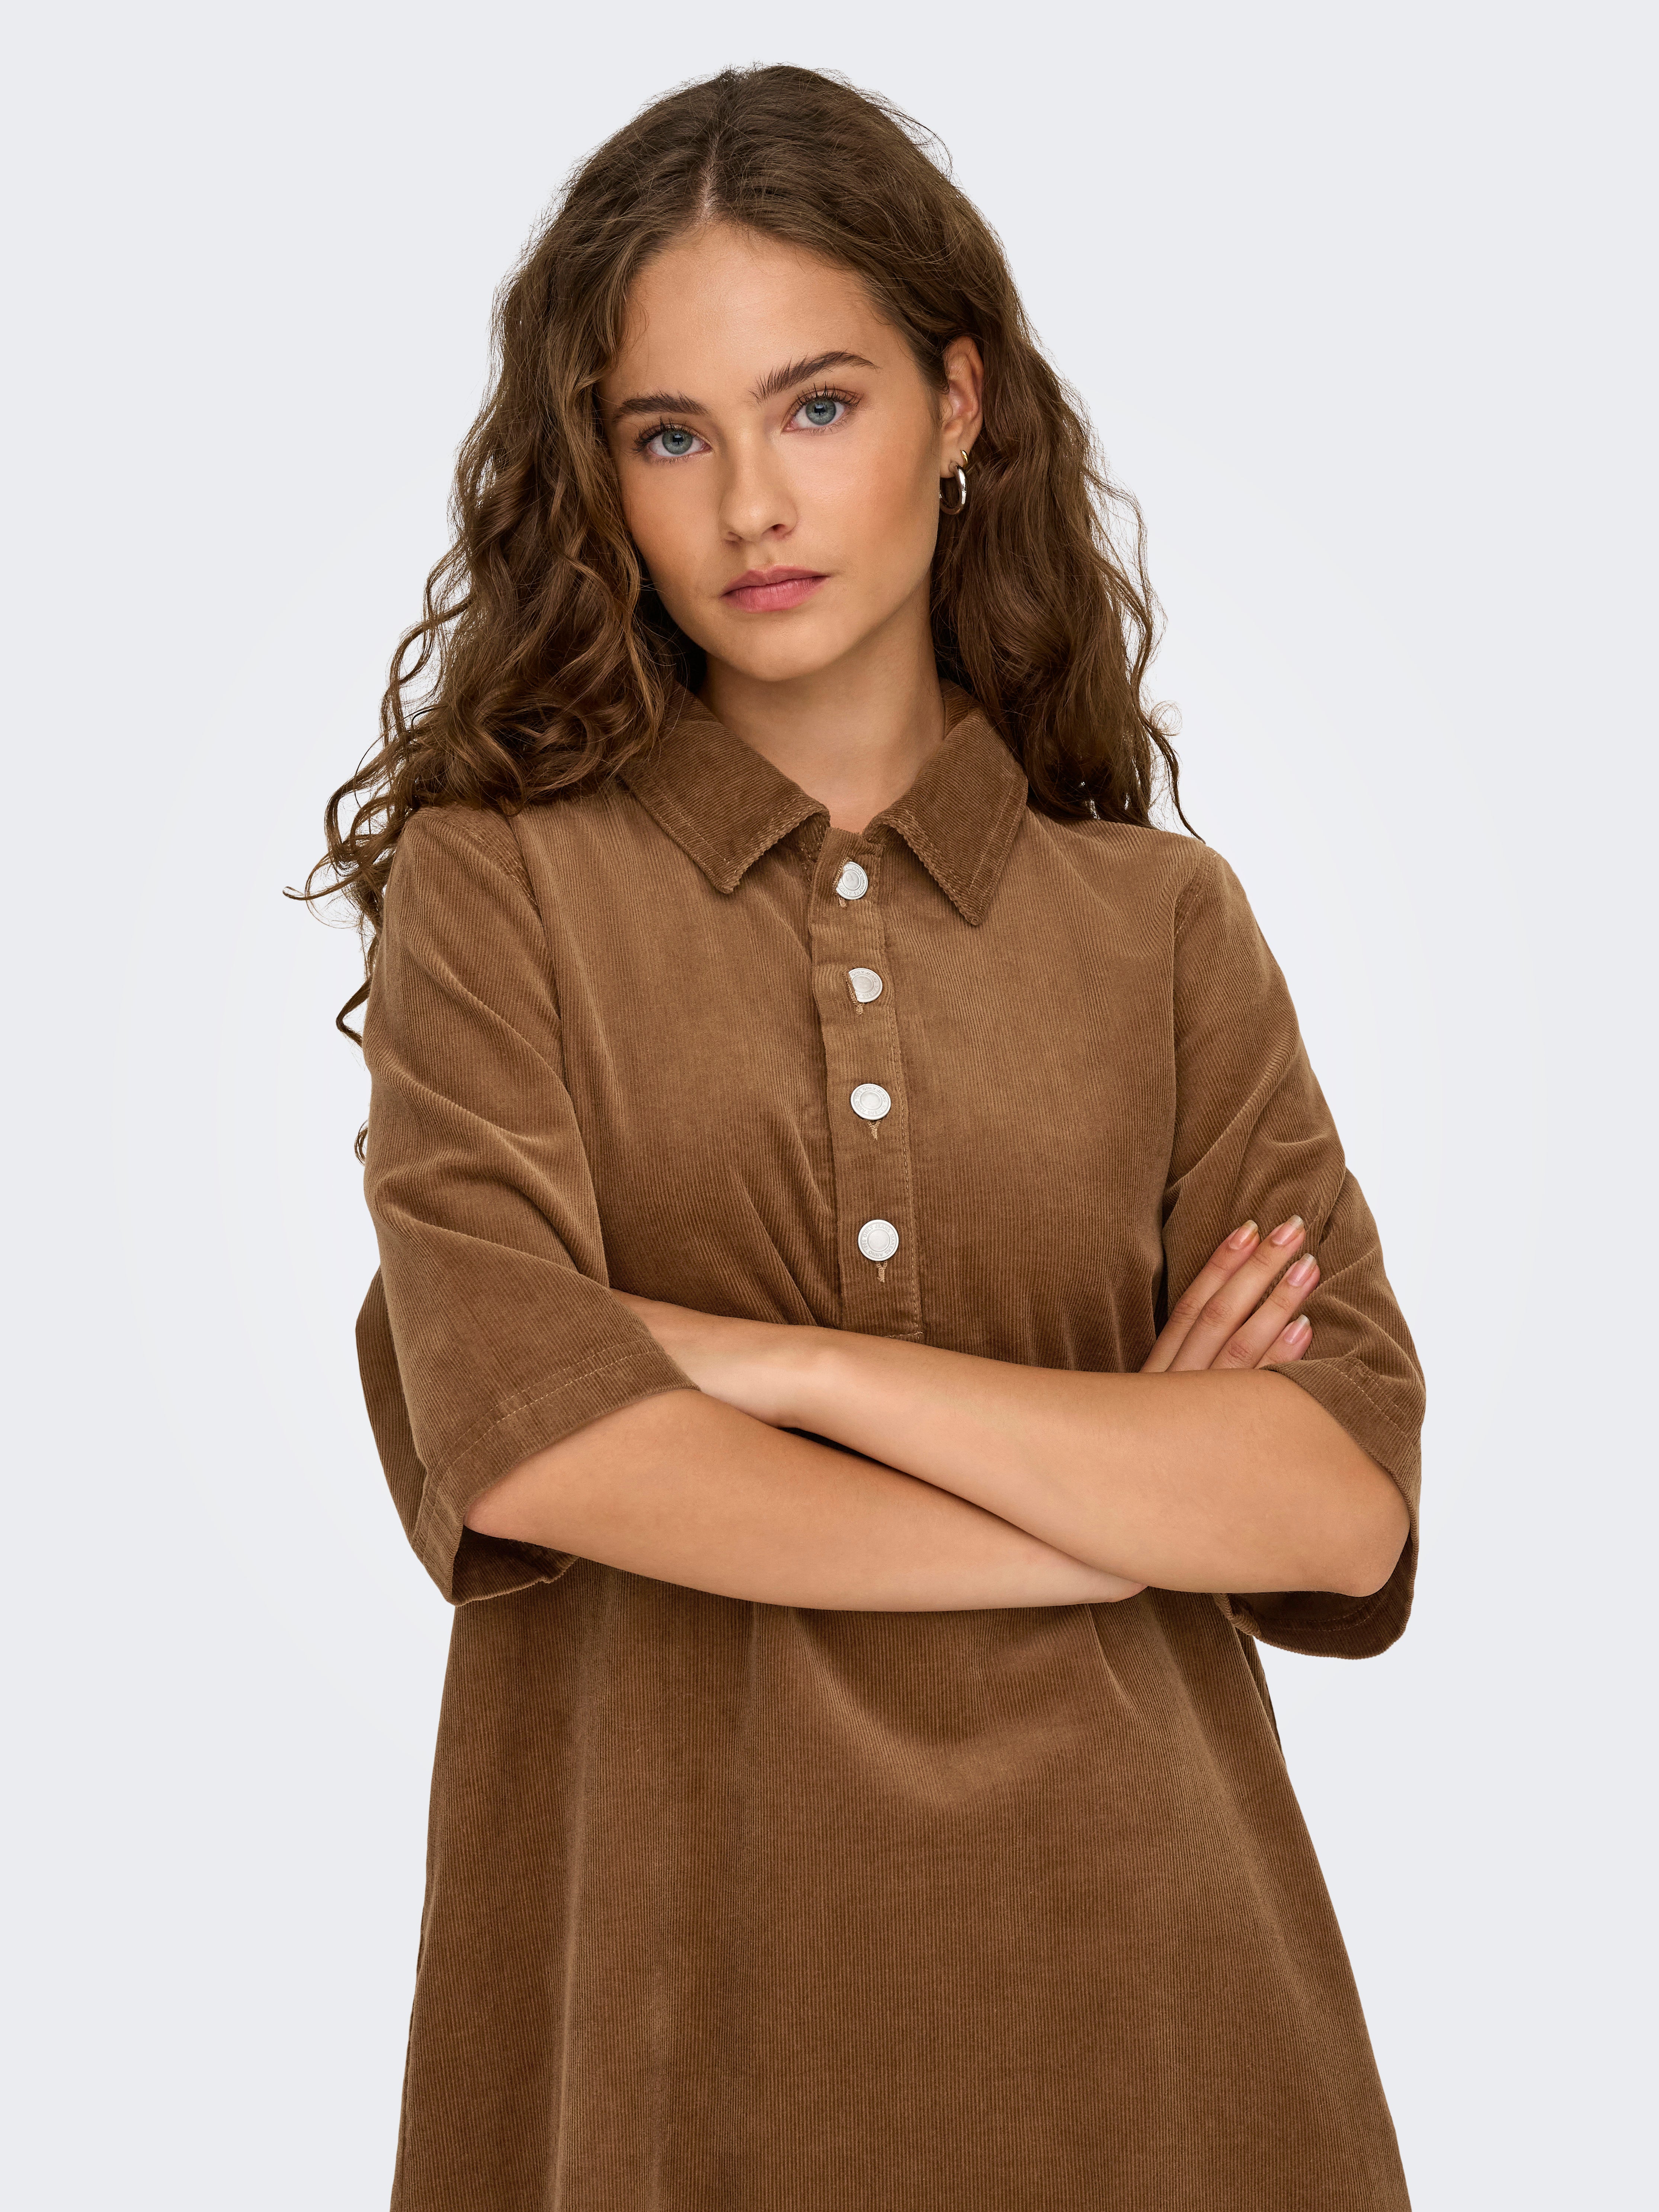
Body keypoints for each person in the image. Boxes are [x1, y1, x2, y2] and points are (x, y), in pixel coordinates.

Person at [310, 62, 1424, 2211]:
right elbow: (536, 1448)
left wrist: (781, 1367)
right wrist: (1122, 1509)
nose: (753, 505)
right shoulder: (501, 891)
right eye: (670, 435)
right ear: (600, 476)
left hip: (1159, 2026)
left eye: (816, 406)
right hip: (666, 2021)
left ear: (959, 404)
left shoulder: (1158, 927)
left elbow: (1340, 1503)